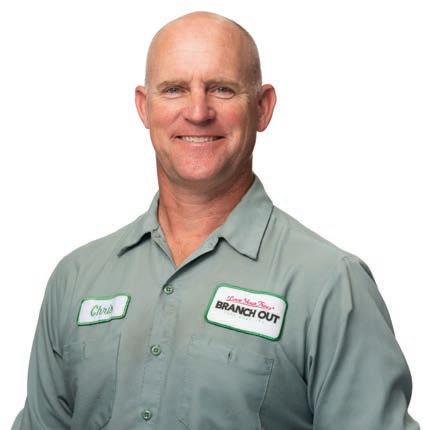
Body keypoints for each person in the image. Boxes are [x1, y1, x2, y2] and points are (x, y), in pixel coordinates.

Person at [12, 10, 420, 430]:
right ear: (144, 107)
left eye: (222, 89)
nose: (198, 111)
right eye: (174, 89)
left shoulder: (329, 284)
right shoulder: (77, 279)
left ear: (262, 108)